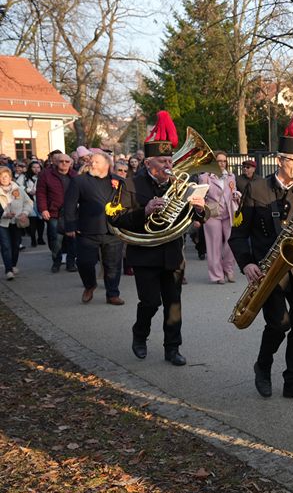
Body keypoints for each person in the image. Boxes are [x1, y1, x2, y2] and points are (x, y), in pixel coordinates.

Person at [230, 105, 293, 403]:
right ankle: (263, 365)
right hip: (266, 269)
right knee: (279, 324)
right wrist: (246, 264)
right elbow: (238, 232)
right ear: (280, 159)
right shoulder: (255, 188)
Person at [108, 110, 205, 366]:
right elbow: (115, 218)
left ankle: (172, 348)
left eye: (169, 161)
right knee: (150, 302)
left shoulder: (179, 184)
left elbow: (194, 217)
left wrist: (199, 208)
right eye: (162, 161)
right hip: (145, 253)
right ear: (149, 163)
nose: (168, 166)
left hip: (172, 251)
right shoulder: (129, 184)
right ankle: (139, 335)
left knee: (174, 304)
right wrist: (145, 211)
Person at [63, 151, 126, 305]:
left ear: (107, 165)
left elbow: (126, 203)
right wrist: (70, 225)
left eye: (97, 161)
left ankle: (112, 293)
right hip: (87, 230)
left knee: (113, 264)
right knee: (85, 262)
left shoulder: (118, 181)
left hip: (113, 230)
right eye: (92, 161)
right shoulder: (79, 181)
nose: (92, 163)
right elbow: (70, 205)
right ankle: (90, 285)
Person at [199, 151, 240, 284]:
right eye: (219, 161)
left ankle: (228, 269)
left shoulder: (231, 176)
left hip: (228, 213)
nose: (222, 163)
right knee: (213, 245)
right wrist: (199, 214)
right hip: (212, 214)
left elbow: (233, 191)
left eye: (224, 161)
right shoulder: (205, 177)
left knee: (231, 242)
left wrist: (236, 194)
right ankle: (217, 275)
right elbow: (200, 196)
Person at [36, 151, 78, 273]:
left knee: (73, 240)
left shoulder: (75, 176)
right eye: (61, 161)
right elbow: (41, 193)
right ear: (55, 162)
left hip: (72, 214)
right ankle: (56, 261)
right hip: (54, 212)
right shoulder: (46, 175)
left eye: (67, 161)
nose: (64, 163)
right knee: (55, 239)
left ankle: (71, 263)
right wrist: (43, 209)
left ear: (71, 163)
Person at [0, 166, 32, 279]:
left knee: (15, 245)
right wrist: (4, 214)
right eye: (2, 177)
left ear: (10, 177)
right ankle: (8, 270)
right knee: (5, 246)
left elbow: (28, 202)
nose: (4, 179)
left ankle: (13, 265)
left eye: (6, 176)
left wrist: (25, 213)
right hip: (2, 223)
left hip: (17, 221)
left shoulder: (18, 189)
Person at [17, 160, 44, 247]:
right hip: (29, 201)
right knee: (33, 221)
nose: (36, 169)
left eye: (38, 167)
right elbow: (18, 186)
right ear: (30, 168)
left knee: (41, 221)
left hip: (40, 200)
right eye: (34, 167)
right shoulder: (24, 177)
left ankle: (40, 238)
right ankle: (33, 239)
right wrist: (28, 190)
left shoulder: (43, 176)